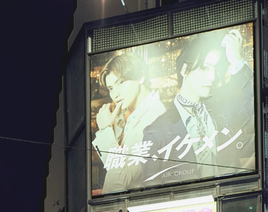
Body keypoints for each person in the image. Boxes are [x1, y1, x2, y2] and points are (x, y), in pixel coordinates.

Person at [141, 28, 255, 187]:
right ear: (184, 71)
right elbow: (149, 191)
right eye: (205, 68)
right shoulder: (156, 131)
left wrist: (236, 60)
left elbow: (254, 103)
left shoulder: (221, 109)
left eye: (214, 68)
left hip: (229, 203)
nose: (212, 77)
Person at [92, 52, 166, 195]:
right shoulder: (137, 115)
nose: (115, 94)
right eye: (111, 88)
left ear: (140, 77)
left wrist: (105, 132)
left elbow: (118, 184)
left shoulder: (153, 118)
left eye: (120, 83)